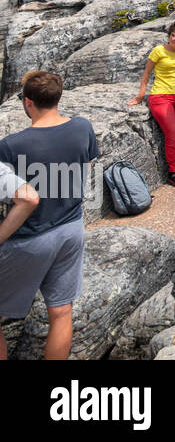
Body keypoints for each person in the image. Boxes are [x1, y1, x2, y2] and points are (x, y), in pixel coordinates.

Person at [0, 70, 100, 360]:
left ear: (27, 102)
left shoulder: (10, 146)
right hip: (71, 229)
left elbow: (23, 196)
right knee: (60, 312)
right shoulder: (83, 127)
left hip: (31, 238)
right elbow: (88, 166)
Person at [128, 19, 175, 188]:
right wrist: (140, 95)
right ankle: (174, 172)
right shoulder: (158, 51)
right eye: (172, 35)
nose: (173, 39)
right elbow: (146, 74)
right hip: (160, 97)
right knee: (172, 134)